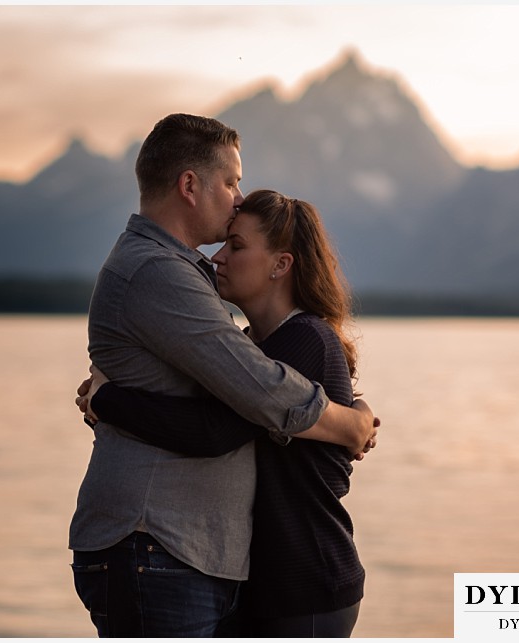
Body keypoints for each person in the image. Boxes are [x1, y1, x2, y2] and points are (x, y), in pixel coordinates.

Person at [68, 113, 378, 638]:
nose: (238, 196)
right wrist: (348, 424)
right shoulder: (159, 271)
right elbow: (250, 397)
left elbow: (230, 409)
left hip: (193, 555)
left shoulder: (184, 274)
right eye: (231, 181)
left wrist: (110, 401)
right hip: (158, 545)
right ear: (189, 185)